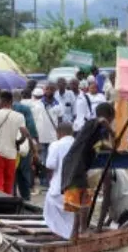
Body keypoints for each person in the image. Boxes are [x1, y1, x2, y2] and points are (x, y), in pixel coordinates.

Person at [61, 102, 116, 240]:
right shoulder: (92, 123)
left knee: (80, 199)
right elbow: (102, 120)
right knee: (82, 199)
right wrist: (112, 131)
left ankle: (76, 233)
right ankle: (83, 230)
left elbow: (108, 147)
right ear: (109, 116)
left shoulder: (95, 134)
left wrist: (113, 140)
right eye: (112, 119)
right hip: (75, 166)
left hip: (77, 166)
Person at [0, 90, 30, 195]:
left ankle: (0, 204)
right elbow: (25, 134)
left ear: (1, 100)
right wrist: (18, 143)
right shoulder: (19, 116)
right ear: (11, 101)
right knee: (9, 182)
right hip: (12, 154)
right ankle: (7, 204)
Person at [44, 123, 76, 239]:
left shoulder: (56, 145)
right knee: (71, 214)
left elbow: (50, 165)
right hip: (76, 188)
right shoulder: (78, 144)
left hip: (59, 188)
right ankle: (71, 234)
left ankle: (58, 234)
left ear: (59, 133)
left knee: (50, 206)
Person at [33, 83, 63, 187]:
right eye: (47, 89)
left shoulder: (58, 104)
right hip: (41, 136)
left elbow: (60, 120)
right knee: (42, 160)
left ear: (54, 91)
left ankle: (52, 180)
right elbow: (34, 120)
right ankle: (43, 181)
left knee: (52, 159)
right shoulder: (38, 104)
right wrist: (35, 137)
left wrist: (59, 134)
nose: (49, 91)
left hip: (53, 137)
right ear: (44, 91)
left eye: (51, 89)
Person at [11, 90, 38, 199]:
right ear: (21, 97)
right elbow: (30, 126)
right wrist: (34, 143)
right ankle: (25, 196)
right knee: (24, 172)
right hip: (23, 145)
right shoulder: (25, 109)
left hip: (10, 144)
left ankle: (12, 195)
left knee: (11, 173)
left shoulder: (7, 109)